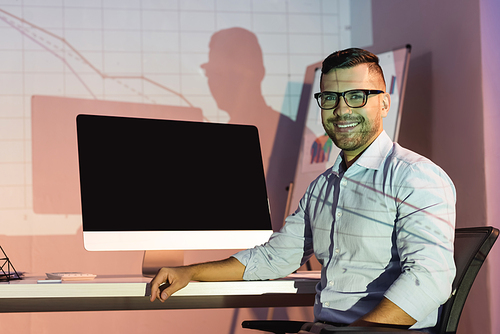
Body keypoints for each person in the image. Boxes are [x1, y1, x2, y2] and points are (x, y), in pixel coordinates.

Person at [150, 48, 456, 332]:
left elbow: (429, 279)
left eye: (356, 96)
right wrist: (189, 272)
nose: (341, 110)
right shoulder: (321, 188)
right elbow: (273, 258)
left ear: (385, 103)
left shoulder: (415, 177)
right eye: (330, 98)